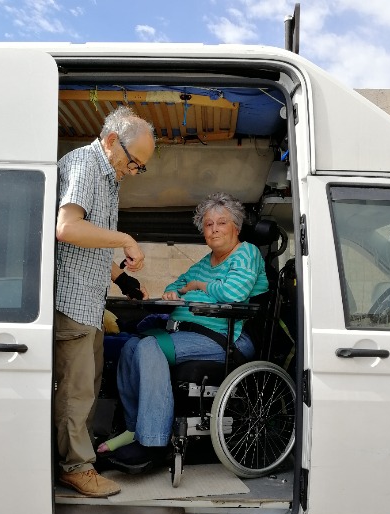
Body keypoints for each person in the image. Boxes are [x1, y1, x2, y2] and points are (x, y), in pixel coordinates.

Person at [98, 192, 269, 469]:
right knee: (130, 346)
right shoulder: (205, 262)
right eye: (208, 224)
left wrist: (198, 287)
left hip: (225, 337)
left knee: (149, 346)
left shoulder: (246, 253)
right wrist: (175, 293)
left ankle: (153, 443)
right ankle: (133, 428)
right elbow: (175, 286)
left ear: (236, 227)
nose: (214, 229)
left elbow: (234, 293)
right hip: (190, 333)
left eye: (221, 223)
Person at [55, 105, 156, 497]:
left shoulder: (108, 176)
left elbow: (89, 243)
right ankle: (76, 468)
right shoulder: (85, 165)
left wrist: (122, 279)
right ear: (112, 140)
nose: (133, 171)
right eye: (134, 162)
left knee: (88, 385)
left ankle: (81, 460)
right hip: (72, 301)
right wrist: (125, 239)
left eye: (140, 167)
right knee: (76, 391)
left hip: (90, 303)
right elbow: (68, 228)